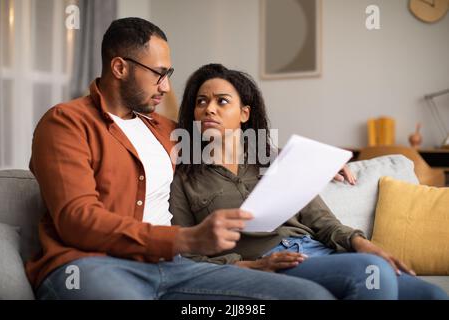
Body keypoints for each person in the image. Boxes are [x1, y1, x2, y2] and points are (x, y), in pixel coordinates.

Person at [28, 18, 337, 300]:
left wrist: (313, 161)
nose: (166, 87)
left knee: (309, 296)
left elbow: (235, 142)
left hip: (175, 268)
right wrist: (184, 240)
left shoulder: (168, 131)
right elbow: (76, 220)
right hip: (94, 266)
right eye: (159, 74)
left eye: (168, 75)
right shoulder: (66, 123)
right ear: (120, 68)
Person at [170, 63, 448, 300]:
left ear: (244, 113)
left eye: (222, 101)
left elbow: (322, 220)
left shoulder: (277, 159)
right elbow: (186, 250)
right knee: (368, 274)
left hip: (319, 251)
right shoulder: (183, 177)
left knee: (433, 295)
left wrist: (361, 243)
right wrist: (253, 265)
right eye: (201, 101)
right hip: (279, 263)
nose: (209, 109)